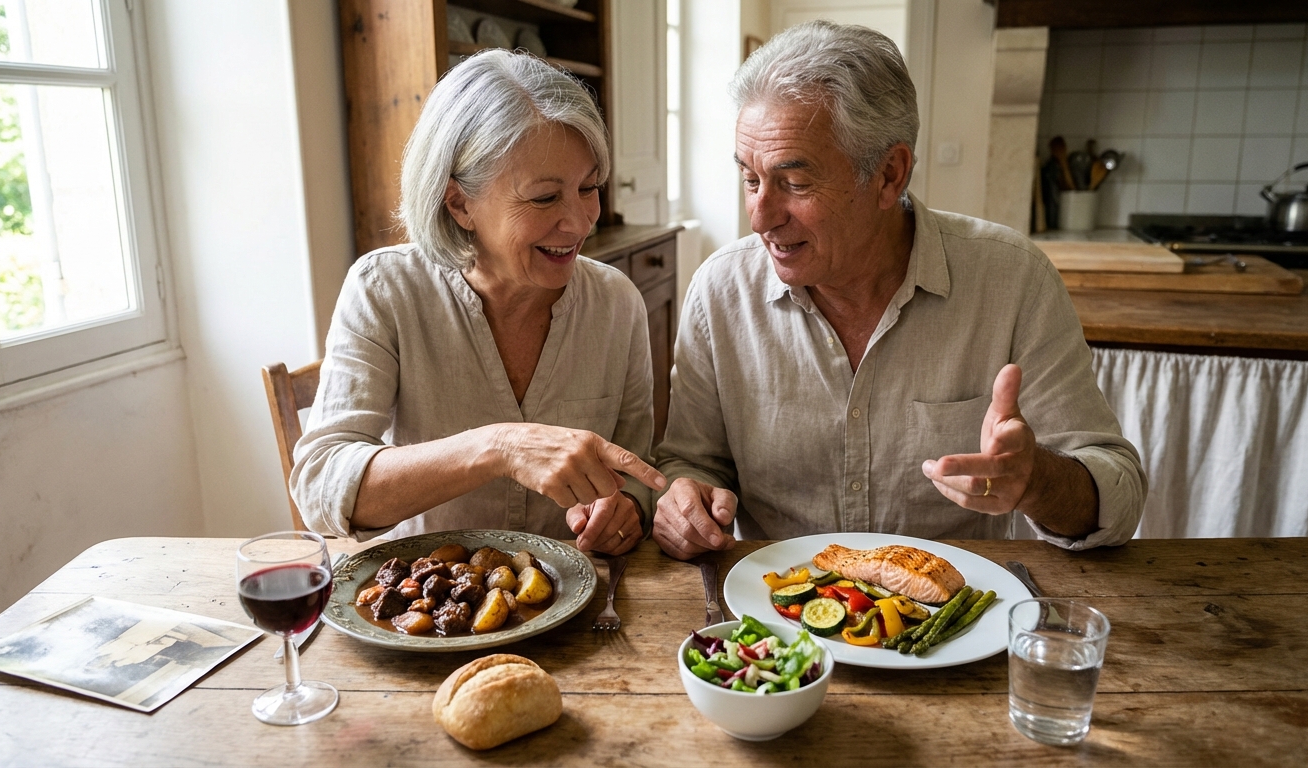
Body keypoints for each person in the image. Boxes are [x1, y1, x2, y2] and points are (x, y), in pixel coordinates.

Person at [652, 21, 1145, 560]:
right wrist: (685, 501)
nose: (760, 216)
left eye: (794, 183)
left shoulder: (1013, 280)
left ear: (890, 174)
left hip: (953, 625)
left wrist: (1037, 481)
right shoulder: (720, 291)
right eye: (750, 179)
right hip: (776, 621)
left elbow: (1119, 493)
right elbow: (691, 463)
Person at [292, 50, 665, 555]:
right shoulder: (384, 288)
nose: (579, 222)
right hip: (423, 606)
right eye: (544, 198)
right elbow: (320, 486)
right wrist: (498, 447)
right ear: (459, 203)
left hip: (576, 603)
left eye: (588, 188)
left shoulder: (616, 303)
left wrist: (627, 509)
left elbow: (637, 468)